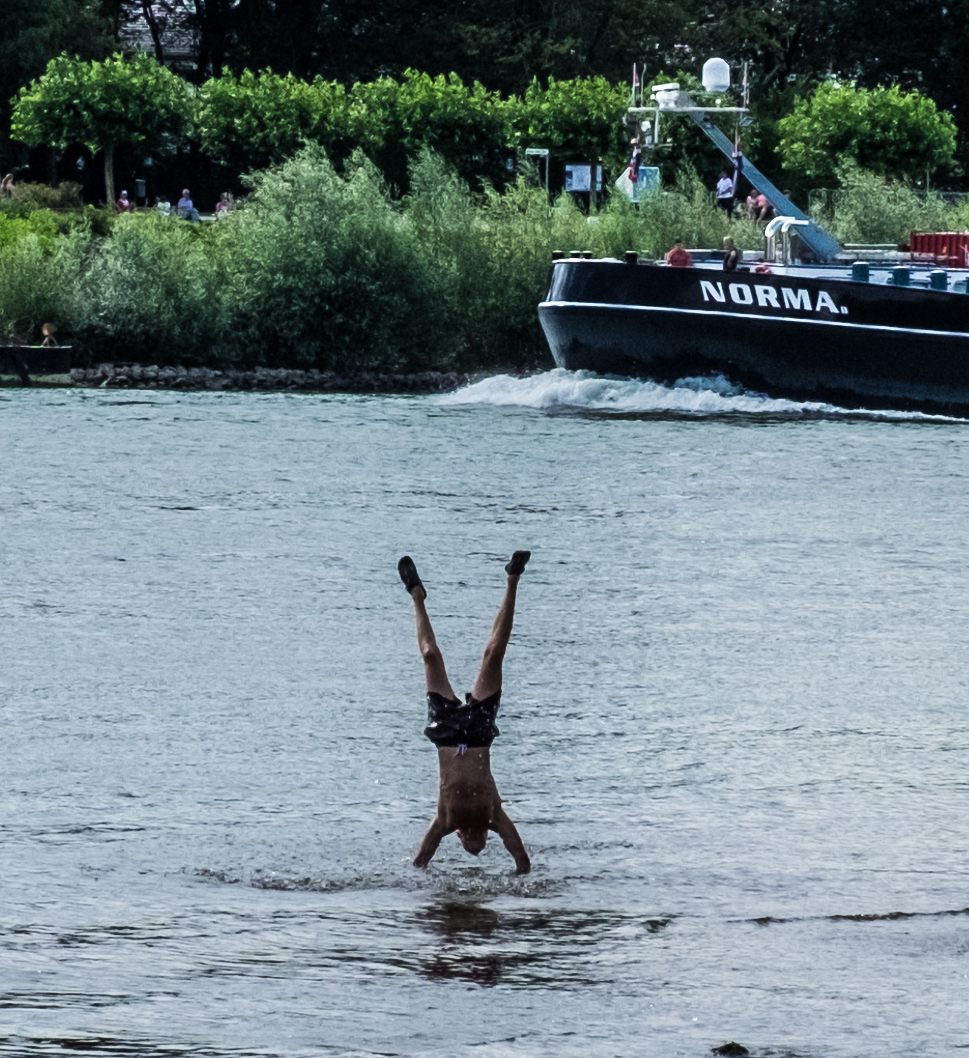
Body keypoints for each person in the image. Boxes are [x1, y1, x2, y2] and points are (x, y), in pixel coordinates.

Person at [399, 551, 532, 874]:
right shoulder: (494, 816)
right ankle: (513, 578)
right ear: (489, 835)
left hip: (446, 734)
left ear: (456, 835)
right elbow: (522, 860)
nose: (473, 837)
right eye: (480, 841)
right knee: (494, 654)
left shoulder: (445, 820)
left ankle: (417, 596)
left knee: (430, 656)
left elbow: (419, 864)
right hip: (478, 734)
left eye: (468, 841)